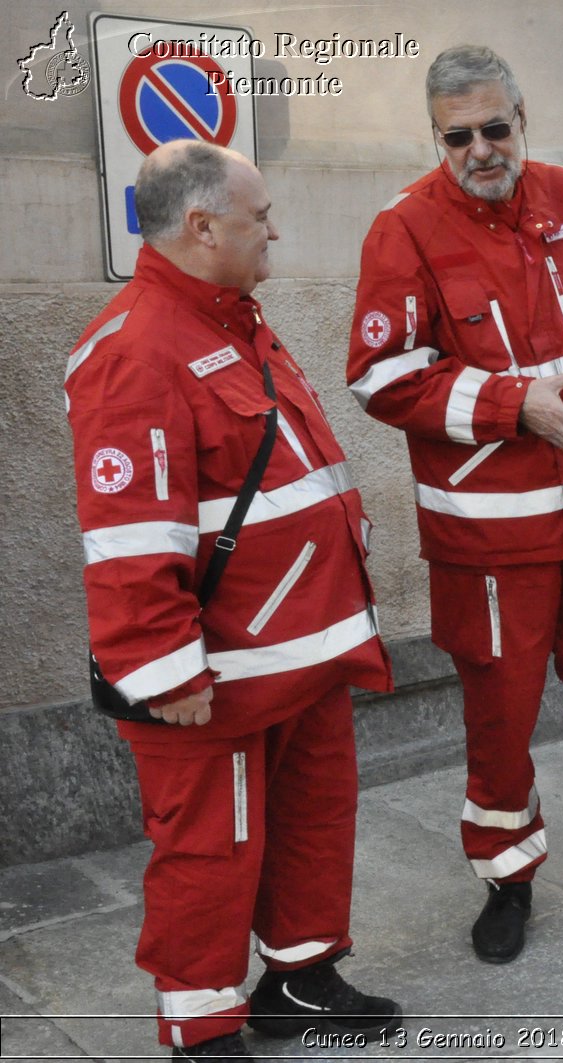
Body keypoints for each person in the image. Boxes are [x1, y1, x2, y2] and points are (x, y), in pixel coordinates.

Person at [346, 45, 563, 964]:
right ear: (437, 136)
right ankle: (507, 878)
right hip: (486, 543)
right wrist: (515, 406)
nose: (479, 149)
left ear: (522, 118)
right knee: (499, 722)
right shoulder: (404, 231)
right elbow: (381, 376)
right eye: (456, 135)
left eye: (494, 127)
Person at [65, 140, 399, 1060]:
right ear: (202, 226)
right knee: (210, 855)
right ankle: (201, 1024)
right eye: (259, 217)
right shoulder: (135, 349)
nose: (275, 230)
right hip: (216, 677)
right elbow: (132, 537)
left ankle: (300, 978)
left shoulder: (233, 321)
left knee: (313, 824)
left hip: (303, 653)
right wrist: (167, 673)